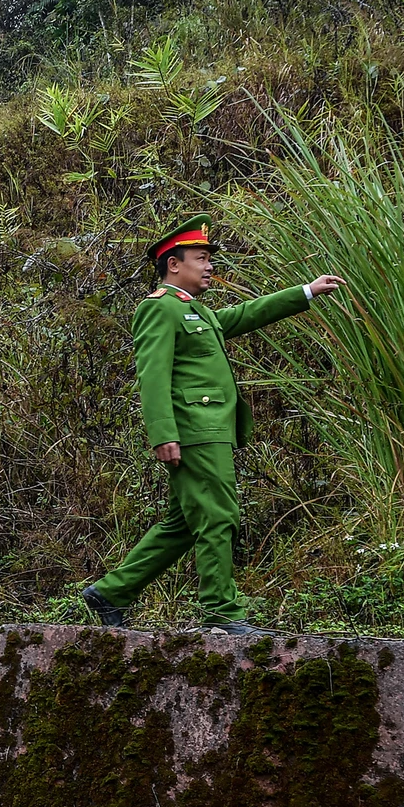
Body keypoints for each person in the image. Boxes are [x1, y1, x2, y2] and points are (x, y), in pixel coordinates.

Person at [83, 214, 345, 634]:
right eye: (201, 258)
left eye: (209, 259)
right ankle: (222, 613)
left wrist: (305, 292)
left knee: (185, 523)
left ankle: (112, 592)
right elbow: (152, 375)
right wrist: (163, 433)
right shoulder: (159, 309)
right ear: (174, 263)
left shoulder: (195, 311)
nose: (209, 267)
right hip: (194, 430)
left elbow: (241, 316)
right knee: (219, 516)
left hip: (209, 429)